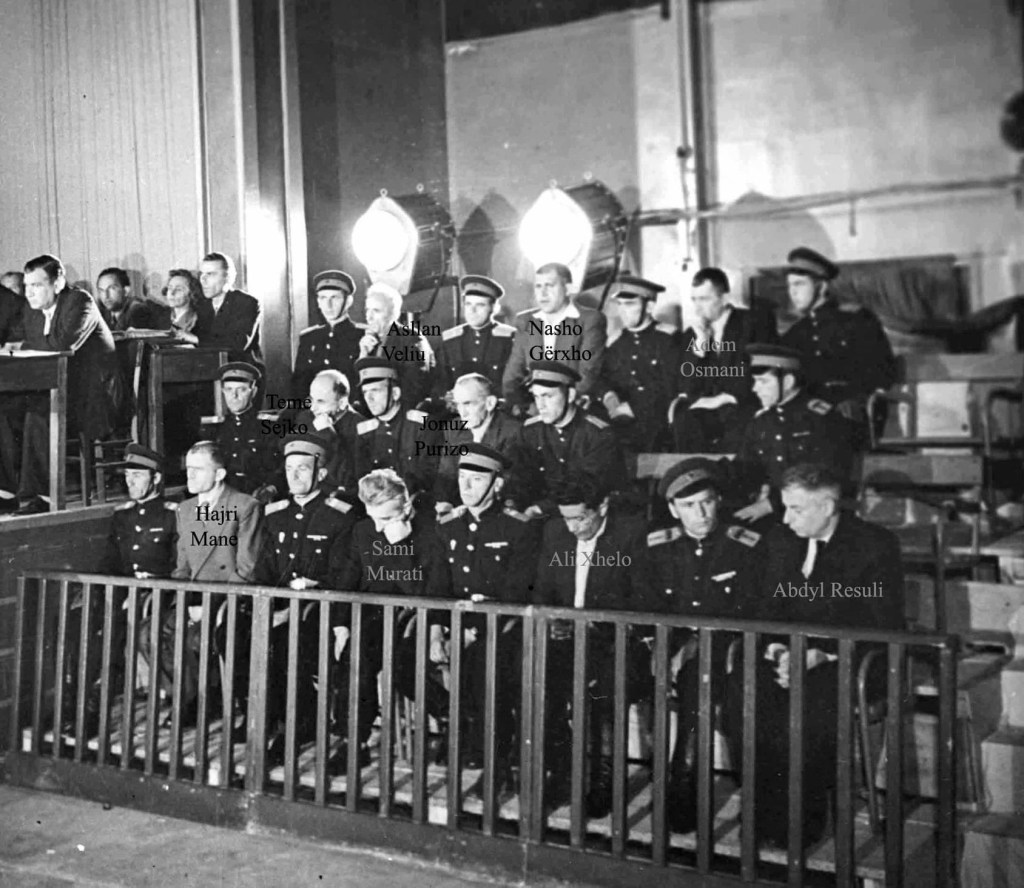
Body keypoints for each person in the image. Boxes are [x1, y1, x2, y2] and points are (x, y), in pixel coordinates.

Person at [723, 463, 905, 849]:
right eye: (785, 507)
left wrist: (821, 656)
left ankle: (803, 819)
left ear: (827, 506)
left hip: (848, 662)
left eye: (796, 509)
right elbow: (762, 609)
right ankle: (761, 808)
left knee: (811, 699)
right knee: (743, 689)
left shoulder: (874, 546)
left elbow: (882, 626)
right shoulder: (779, 540)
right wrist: (776, 649)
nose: (786, 518)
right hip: (785, 654)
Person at [643, 458, 764, 832]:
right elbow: (649, 605)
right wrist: (663, 647)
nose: (701, 513)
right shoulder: (657, 547)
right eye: (689, 505)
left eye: (707, 502)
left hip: (729, 650)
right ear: (672, 509)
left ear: (719, 500)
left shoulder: (745, 546)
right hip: (674, 646)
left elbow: (756, 610)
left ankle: (684, 795)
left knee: (700, 682)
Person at [532, 475, 648, 817]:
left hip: (614, 640)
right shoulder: (555, 532)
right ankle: (561, 772)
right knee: (538, 683)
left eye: (581, 518)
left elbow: (643, 598)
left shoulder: (631, 534)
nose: (573, 528)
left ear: (603, 507)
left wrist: (598, 623)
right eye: (567, 518)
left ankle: (604, 782)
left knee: (603, 692)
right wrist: (554, 621)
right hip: (568, 637)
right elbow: (543, 591)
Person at [331, 469, 450, 770]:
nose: (379, 526)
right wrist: (341, 626)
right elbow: (348, 579)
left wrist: (398, 545)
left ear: (406, 507)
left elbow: (423, 591)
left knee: (402, 667)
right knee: (355, 657)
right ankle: (353, 741)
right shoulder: (363, 530)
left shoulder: (428, 533)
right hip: (373, 616)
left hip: (414, 617)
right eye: (373, 517)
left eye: (386, 518)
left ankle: (452, 717)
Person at [435, 444, 539, 783]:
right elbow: (438, 585)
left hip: (500, 626)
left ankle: (494, 757)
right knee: (405, 656)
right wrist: (436, 631)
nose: (465, 486)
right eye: (462, 478)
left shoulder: (518, 527)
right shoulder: (447, 525)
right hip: (454, 623)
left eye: (476, 480)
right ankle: (459, 721)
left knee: (484, 665)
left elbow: (515, 592)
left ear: (497, 484)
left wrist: (472, 631)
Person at [60, 444, 178, 735]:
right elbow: (109, 561)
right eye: (127, 476)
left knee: (113, 634)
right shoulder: (122, 516)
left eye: (137, 476)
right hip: (122, 594)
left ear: (156, 479)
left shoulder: (172, 515)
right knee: (74, 624)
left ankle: (91, 713)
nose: (130, 482)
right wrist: (94, 592)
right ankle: (71, 704)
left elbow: (178, 568)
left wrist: (145, 595)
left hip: (156, 596)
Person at [256, 432, 357, 768]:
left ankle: (295, 726)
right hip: (279, 610)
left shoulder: (339, 515)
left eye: (302, 468)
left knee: (289, 644)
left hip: (321, 612)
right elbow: (264, 570)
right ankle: (266, 718)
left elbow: (343, 575)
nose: (294, 475)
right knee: (233, 637)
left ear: (321, 473)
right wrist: (267, 608)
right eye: (289, 469)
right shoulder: (274, 513)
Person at [5, 254, 122, 514]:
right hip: (60, 391)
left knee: (39, 408)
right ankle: (5, 491)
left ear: (57, 284)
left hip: (96, 398)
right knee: (5, 405)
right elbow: (33, 349)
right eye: (27, 286)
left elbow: (62, 347)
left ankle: (43, 497)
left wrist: (26, 349)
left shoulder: (79, 301)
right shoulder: (33, 310)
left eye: (37, 285)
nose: (29, 293)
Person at [171, 441, 263, 728]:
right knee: (151, 634)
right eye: (188, 469)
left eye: (198, 470)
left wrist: (209, 606)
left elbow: (246, 568)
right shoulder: (185, 509)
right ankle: (193, 696)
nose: (190, 476)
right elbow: (182, 567)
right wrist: (182, 602)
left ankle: (205, 700)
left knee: (198, 637)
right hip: (194, 598)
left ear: (220, 474)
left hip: (229, 599)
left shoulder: (244, 506)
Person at [779, 247, 896, 437]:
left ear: (822, 286)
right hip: (809, 413)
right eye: (789, 285)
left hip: (851, 410)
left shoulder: (856, 321)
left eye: (799, 284)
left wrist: (855, 399)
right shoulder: (796, 333)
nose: (793, 292)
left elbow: (882, 372)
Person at [733, 344, 853, 524]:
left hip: (812, 516)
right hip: (769, 513)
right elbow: (745, 468)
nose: (755, 388)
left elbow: (827, 478)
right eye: (755, 381)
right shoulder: (761, 421)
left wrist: (771, 504)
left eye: (763, 381)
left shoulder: (821, 420)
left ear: (788, 382)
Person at [670, 266, 777, 452]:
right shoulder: (692, 334)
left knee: (738, 427)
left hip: (744, 403)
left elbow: (764, 370)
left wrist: (725, 397)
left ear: (724, 298)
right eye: (694, 299)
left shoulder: (753, 323)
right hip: (708, 411)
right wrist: (699, 348)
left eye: (704, 299)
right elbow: (686, 386)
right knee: (685, 422)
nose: (697, 308)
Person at [511, 361, 626, 519]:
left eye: (547, 396)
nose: (540, 405)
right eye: (536, 397)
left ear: (570, 395)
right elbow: (519, 477)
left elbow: (588, 490)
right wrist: (513, 504)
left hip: (582, 517)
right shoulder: (529, 431)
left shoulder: (598, 435)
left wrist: (541, 508)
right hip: (536, 515)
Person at [502, 263, 606, 411]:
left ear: (568, 289)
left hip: (572, 407)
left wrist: (561, 406)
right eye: (538, 286)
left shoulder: (590, 319)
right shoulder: (526, 321)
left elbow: (589, 372)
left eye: (549, 285)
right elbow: (513, 374)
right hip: (534, 407)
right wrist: (522, 405)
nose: (543, 293)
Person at [598, 274, 684, 452]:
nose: (623, 311)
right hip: (619, 416)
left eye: (630, 304)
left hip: (656, 418)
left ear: (649, 307)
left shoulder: (668, 339)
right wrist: (608, 396)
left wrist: (635, 408)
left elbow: (671, 387)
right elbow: (602, 378)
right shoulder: (615, 342)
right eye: (620, 304)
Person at [353, 357, 442, 503]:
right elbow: (362, 479)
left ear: (395, 393)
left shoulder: (422, 426)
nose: (369, 398)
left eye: (375, 390)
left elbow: (429, 478)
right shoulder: (365, 432)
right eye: (365, 392)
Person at [433, 374, 521, 510]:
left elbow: (512, 485)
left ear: (490, 403)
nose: (462, 413)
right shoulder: (454, 429)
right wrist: (444, 501)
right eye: (458, 405)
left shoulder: (513, 432)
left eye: (468, 404)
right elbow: (446, 475)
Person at [204, 362, 282, 502]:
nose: (234, 396)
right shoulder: (214, 428)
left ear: (253, 391)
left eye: (241, 390)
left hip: (256, 498)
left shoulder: (268, 427)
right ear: (223, 391)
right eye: (229, 389)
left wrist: (271, 489)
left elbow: (280, 467)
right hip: (222, 498)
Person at [356, 281, 434, 409]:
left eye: (376, 311)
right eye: (367, 310)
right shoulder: (368, 342)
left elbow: (415, 388)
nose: (369, 317)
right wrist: (363, 355)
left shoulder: (410, 338)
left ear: (393, 314)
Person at [435, 275, 515, 395]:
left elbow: (513, 384)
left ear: (493, 308)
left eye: (480, 305)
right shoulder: (451, 339)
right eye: (468, 304)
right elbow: (440, 383)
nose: (472, 311)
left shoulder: (508, 339)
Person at [289, 369, 366, 494]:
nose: (313, 408)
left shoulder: (361, 427)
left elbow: (350, 479)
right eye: (311, 399)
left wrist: (329, 434)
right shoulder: (305, 418)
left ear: (342, 402)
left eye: (321, 401)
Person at [291, 270, 364, 400]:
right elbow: (299, 386)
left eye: (335, 298)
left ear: (348, 301)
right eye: (323, 298)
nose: (328, 305)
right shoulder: (309, 338)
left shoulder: (362, 336)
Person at [196, 251, 262, 363]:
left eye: (210, 274)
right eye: (201, 274)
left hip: (240, 369)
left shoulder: (246, 302)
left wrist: (196, 339)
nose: (203, 280)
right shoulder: (202, 305)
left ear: (228, 277)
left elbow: (237, 345)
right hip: (210, 366)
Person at [95, 267, 169, 331]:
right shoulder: (103, 313)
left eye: (112, 288)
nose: (106, 295)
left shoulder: (138, 310)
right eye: (101, 290)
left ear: (126, 291)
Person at [163, 268, 203, 343]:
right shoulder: (162, 316)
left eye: (179, 289)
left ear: (191, 293)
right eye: (170, 288)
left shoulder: (199, 320)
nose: (172, 293)